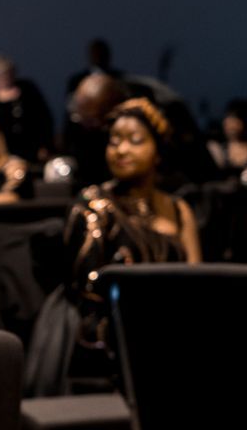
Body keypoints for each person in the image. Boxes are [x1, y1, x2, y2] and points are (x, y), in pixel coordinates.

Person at [28, 98, 200, 394]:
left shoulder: (178, 209)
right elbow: (90, 289)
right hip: (113, 339)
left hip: (177, 329)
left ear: (158, 150)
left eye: (135, 141)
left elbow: (199, 281)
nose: (121, 150)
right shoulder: (94, 205)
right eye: (114, 141)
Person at [0, 54, 53, 165]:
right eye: (0, 74)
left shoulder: (28, 90)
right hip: (3, 153)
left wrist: (45, 145)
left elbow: (44, 119)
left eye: (8, 73)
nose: (5, 77)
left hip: (31, 151)